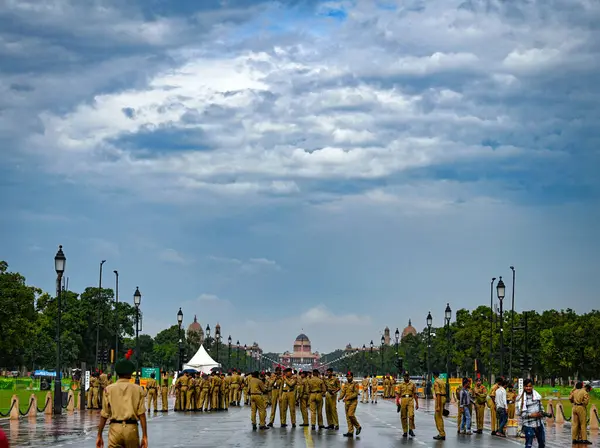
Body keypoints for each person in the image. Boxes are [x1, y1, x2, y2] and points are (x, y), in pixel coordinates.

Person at [96, 350, 148, 448]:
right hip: (131, 428)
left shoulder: (108, 389)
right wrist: (145, 436)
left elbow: (104, 414)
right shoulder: (137, 389)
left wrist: (99, 435)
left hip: (115, 428)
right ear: (130, 373)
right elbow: (141, 414)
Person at [516, 379, 546, 448]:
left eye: (530, 386)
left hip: (539, 424)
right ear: (524, 387)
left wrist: (542, 413)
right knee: (528, 444)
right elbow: (518, 413)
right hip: (528, 425)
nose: (528, 388)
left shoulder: (537, 396)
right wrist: (531, 415)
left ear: (532, 386)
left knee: (542, 444)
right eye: (526, 386)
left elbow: (542, 408)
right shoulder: (520, 398)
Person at [338, 371, 362, 437]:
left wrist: (347, 398)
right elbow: (343, 392)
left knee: (350, 415)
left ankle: (358, 426)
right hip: (347, 402)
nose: (348, 378)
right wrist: (340, 397)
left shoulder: (355, 384)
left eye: (349, 376)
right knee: (348, 417)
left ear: (352, 377)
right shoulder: (345, 384)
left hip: (353, 402)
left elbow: (355, 393)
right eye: (347, 377)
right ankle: (350, 431)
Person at [396, 371, 418, 438]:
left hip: (411, 399)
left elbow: (415, 394)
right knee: (403, 416)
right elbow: (398, 394)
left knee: (411, 415)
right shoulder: (400, 385)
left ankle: (411, 429)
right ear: (403, 377)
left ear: (409, 376)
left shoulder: (412, 384)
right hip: (403, 399)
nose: (406, 377)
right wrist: (397, 402)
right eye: (405, 376)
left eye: (407, 376)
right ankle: (405, 431)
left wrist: (417, 403)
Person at [432, 371, 446, 440]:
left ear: (433, 375)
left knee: (438, 417)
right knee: (439, 416)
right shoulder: (442, 381)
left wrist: (438, 406)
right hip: (443, 398)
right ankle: (441, 433)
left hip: (439, 399)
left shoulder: (436, 382)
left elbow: (438, 394)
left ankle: (441, 433)